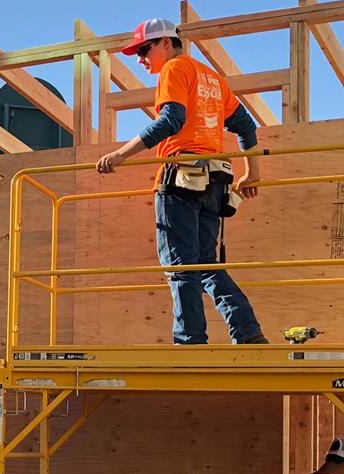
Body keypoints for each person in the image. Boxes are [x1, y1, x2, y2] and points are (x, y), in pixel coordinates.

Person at [95, 18, 267, 345]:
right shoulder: (212, 78)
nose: (140, 59)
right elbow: (245, 126)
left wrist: (120, 155)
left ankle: (189, 342)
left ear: (165, 42)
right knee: (206, 265)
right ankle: (248, 333)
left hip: (181, 179)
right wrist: (252, 172)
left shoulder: (175, 69)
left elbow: (171, 120)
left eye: (143, 50)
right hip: (214, 181)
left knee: (180, 265)